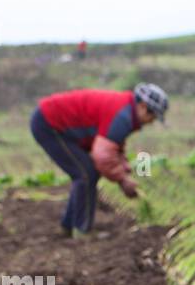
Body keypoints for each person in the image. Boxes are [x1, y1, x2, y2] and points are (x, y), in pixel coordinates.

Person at [29, 83, 168, 237]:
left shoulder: (125, 111)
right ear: (143, 107)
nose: (152, 122)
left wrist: (124, 170)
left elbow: (114, 145)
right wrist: (122, 180)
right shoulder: (123, 116)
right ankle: (82, 230)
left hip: (53, 122)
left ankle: (68, 226)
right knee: (86, 174)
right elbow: (102, 156)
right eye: (153, 116)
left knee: (85, 173)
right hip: (50, 124)